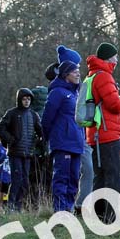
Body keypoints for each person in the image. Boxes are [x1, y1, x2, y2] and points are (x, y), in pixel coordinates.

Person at [85, 42, 120, 223]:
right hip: (106, 134)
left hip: (97, 135)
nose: (117, 59)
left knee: (100, 177)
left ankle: (97, 216)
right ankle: (110, 218)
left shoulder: (93, 76)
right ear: (109, 58)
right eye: (115, 56)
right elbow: (114, 104)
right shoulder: (104, 77)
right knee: (112, 177)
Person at [41, 49, 87, 212]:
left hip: (77, 143)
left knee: (74, 178)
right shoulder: (57, 92)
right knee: (62, 177)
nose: (78, 74)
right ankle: (60, 210)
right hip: (62, 143)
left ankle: (69, 209)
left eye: (78, 71)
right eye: (74, 71)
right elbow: (47, 118)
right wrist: (48, 137)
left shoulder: (75, 94)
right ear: (66, 74)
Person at [0, 88, 43, 211]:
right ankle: (10, 207)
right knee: (17, 179)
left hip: (28, 153)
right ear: (19, 100)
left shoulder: (33, 115)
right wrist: (10, 139)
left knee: (25, 181)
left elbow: (41, 131)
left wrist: (38, 141)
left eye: (28, 99)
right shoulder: (12, 113)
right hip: (15, 152)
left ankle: (18, 206)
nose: (26, 101)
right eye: (24, 99)